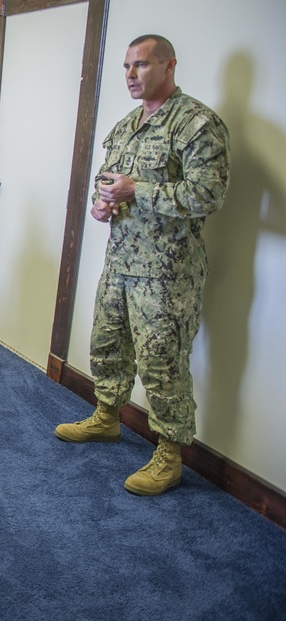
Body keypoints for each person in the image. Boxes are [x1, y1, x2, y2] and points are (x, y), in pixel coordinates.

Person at [54, 35, 230, 497]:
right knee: (108, 342)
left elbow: (207, 195)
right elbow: (109, 181)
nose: (131, 75)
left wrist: (139, 192)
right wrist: (101, 204)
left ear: (169, 65)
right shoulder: (127, 125)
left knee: (162, 362)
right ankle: (107, 417)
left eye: (141, 65)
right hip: (121, 262)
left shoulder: (195, 123)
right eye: (126, 67)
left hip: (167, 273)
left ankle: (170, 455)